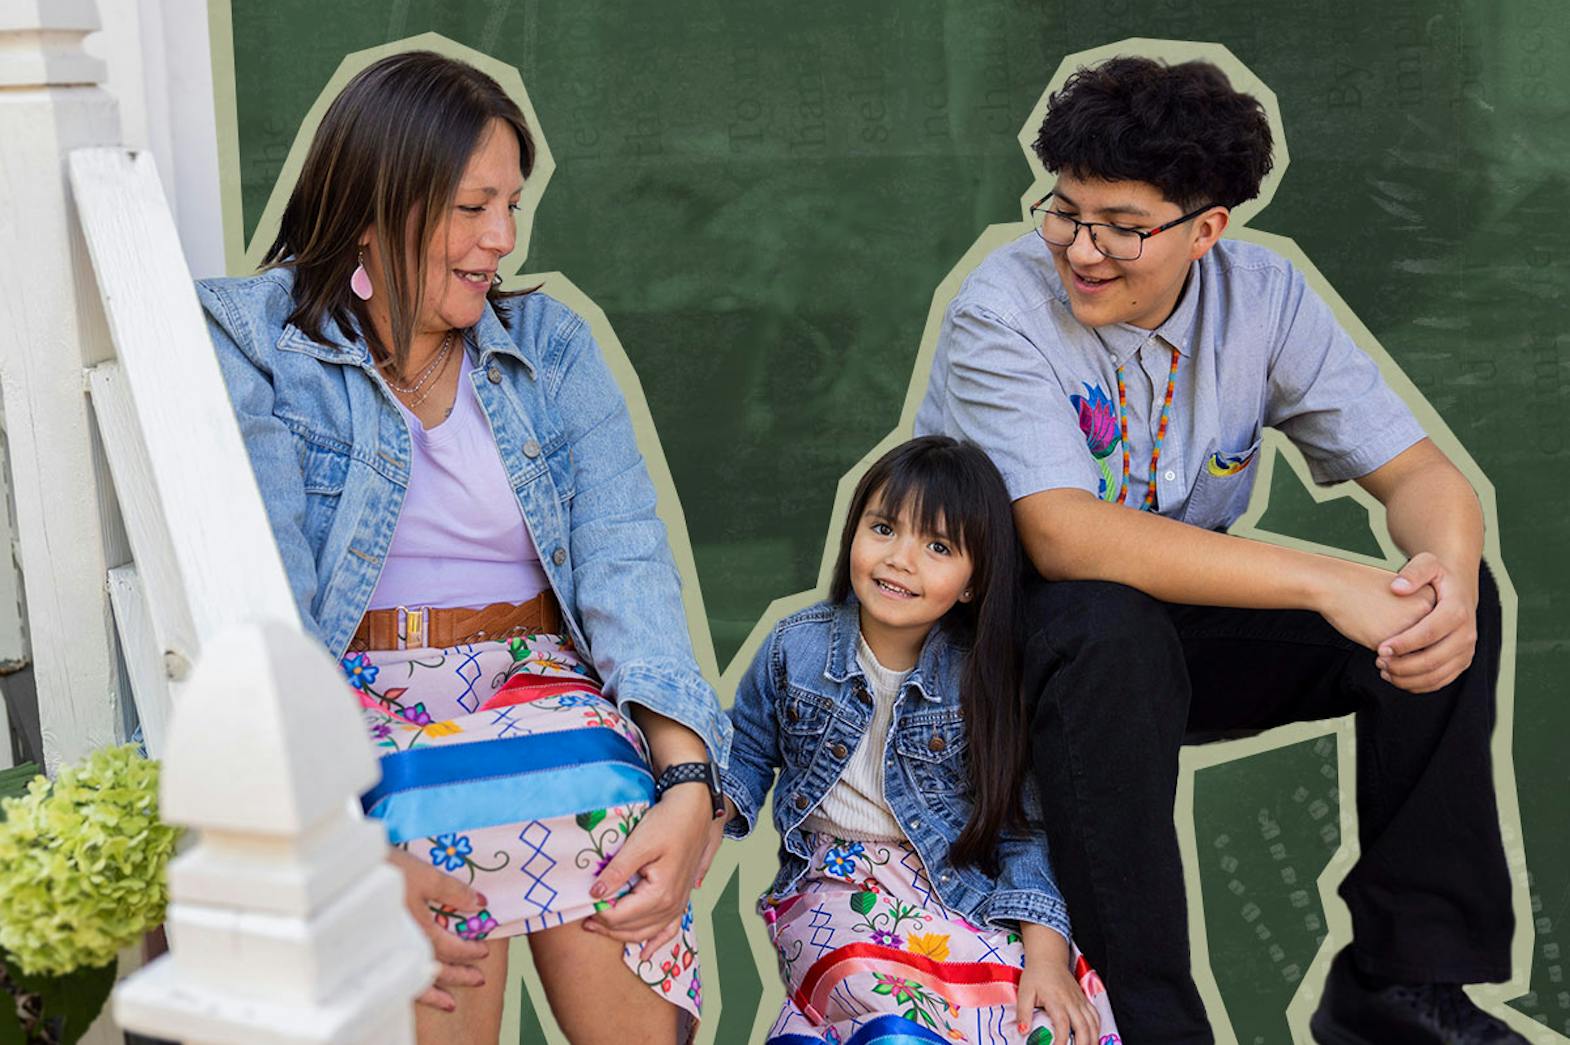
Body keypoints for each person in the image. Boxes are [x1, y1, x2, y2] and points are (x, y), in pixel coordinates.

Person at [915, 55, 1521, 1045]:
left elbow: (1426, 481)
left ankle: (1402, 987)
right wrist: (1328, 581)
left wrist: (1441, 585)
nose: (1082, 248)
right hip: (986, 648)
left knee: (1442, 597)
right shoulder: (1001, 302)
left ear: (1207, 229)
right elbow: (1062, 534)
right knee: (1106, 622)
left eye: (1123, 226)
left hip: (1148, 639)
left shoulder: (1263, 297)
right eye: (1065, 211)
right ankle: (1150, 1024)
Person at [199, 51, 729, 1045]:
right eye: (471, 207)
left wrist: (688, 781)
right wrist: (331, 831)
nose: (502, 240)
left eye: (512, 207)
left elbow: (626, 562)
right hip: (355, 696)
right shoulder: (263, 345)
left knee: (610, 798)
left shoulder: (549, 346)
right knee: (414, 817)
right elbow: (266, 601)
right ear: (372, 203)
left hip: (536, 682)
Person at [712, 436, 1121, 1044]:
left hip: (953, 890)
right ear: (852, 533)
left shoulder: (983, 679)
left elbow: (1018, 829)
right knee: (880, 994)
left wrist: (1047, 956)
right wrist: (698, 819)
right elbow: (742, 755)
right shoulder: (794, 648)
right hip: (834, 888)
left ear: (972, 584)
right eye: (883, 528)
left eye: (937, 546)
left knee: (1045, 1019)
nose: (901, 559)